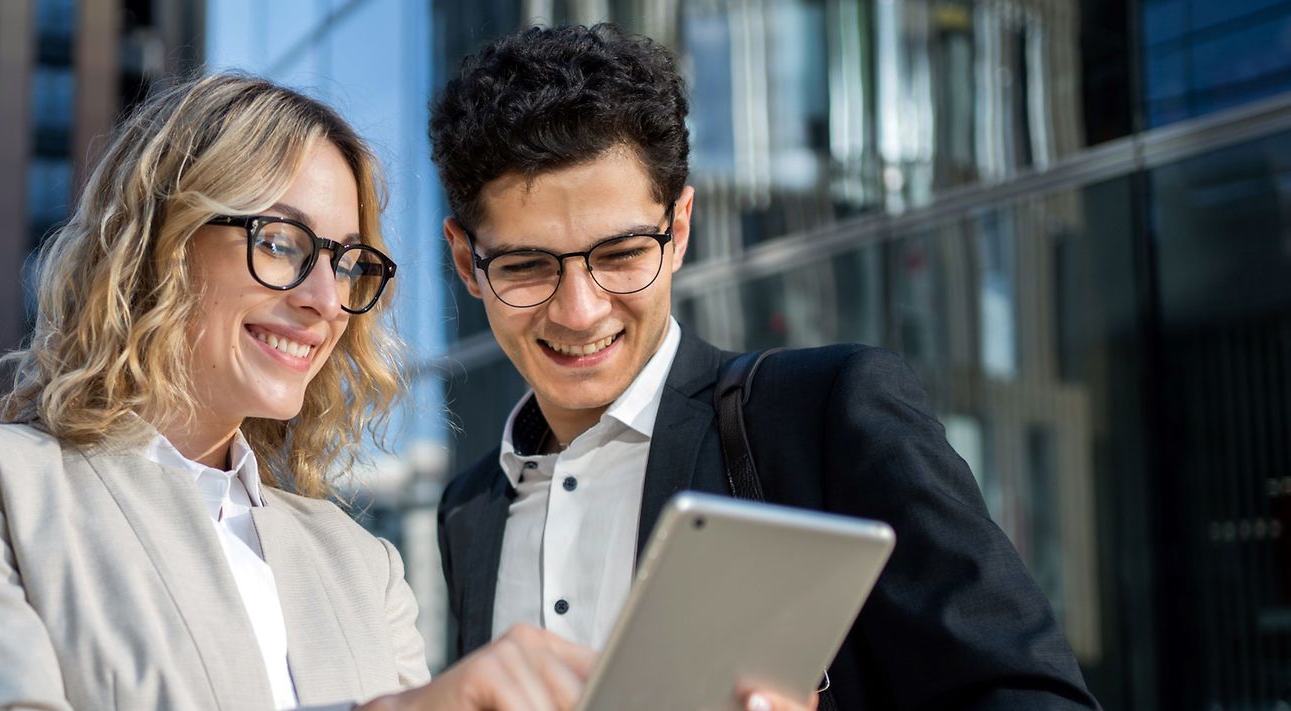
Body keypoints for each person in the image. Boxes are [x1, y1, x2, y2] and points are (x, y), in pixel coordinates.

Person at [0, 72, 720, 711]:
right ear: (161, 242)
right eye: (282, 242)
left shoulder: (358, 561)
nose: (324, 298)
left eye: (348, 260)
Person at [429, 24, 1100, 711]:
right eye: (528, 266)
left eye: (622, 254)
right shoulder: (468, 511)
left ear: (680, 228)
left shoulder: (824, 413)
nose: (579, 310)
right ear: (465, 263)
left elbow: (1038, 697)